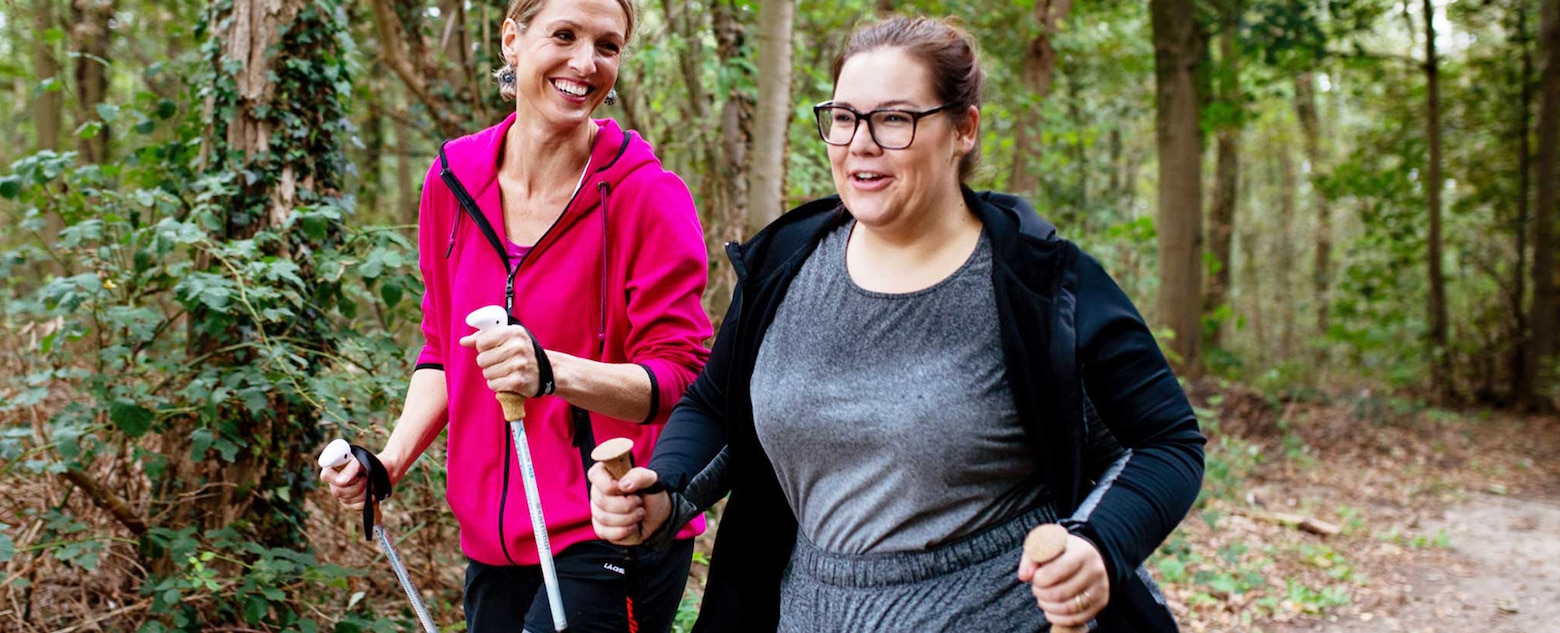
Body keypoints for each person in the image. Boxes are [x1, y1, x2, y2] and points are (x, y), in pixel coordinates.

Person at [587, 16, 1206, 633]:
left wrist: (1098, 545)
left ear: (963, 129)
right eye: (846, 118)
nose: (860, 142)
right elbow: (716, 407)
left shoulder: (1039, 284)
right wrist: (665, 494)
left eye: (894, 119)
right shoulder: (786, 263)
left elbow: (1166, 443)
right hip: (812, 612)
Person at [320, 0, 713, 631]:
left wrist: (549, 370)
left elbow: (683, 379)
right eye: (564, 35)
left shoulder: (646, 196)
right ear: (512, 38)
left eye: (607, 47)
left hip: (609, 526)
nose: (585, 63)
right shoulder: (451, 181)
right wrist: (387, 464)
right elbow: (442, 350)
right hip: (493, 537)